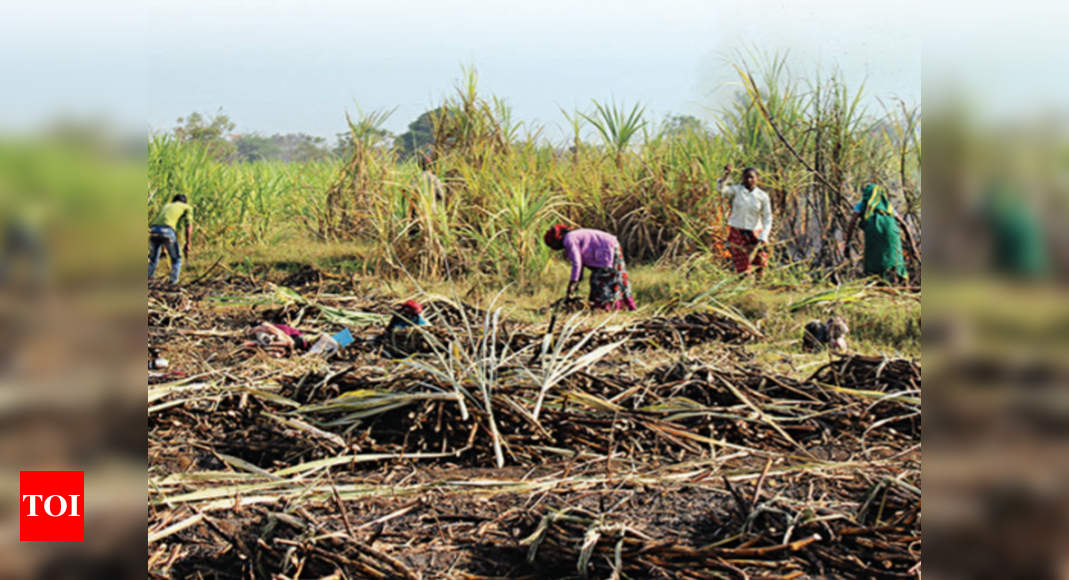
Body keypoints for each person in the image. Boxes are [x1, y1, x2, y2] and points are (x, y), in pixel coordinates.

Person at [543, 225, 637, 311]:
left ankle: (604, 307)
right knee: (618, 277)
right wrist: (577, 281)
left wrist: (573, 283)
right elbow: (580, 263)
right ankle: (625, 305)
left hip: (607, 249)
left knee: (600, 281)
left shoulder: (568, 240)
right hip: (612, 245)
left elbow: (577, 263)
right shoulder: (572, 236)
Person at [843, 183, 907, 283]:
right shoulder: (887, 206)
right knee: (894, 260)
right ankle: (896, 283)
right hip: (893, 233)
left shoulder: (862, 205)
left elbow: (852, 223)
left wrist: (847, 244)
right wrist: (913, 247)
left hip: (873, 233)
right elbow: (904, 224)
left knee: (873, 261)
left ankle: (876, 283)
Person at [718, 164, 773, 276]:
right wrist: (726, 175)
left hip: (755, 231)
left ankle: (759, 283)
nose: (748, 180)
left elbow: (767, 217)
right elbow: (721, 190)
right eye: (746, 177)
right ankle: (743, 285)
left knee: (759, 261)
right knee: (741, 262)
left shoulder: (762, 196)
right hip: (737, 230)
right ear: (742, 178)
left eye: (751, 177)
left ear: (757, 179)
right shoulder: (736, 191)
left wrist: (764, 235)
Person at [148, 194, 193, 284]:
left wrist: (164, 248)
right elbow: (189, 226)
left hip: (154, 230)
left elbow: (162, 223)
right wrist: (188, 243)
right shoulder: (187, 207)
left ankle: (148, 279)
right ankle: (173, 282)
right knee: (176, 259)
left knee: (153, 259)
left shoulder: (167, 206)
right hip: (167, 231)